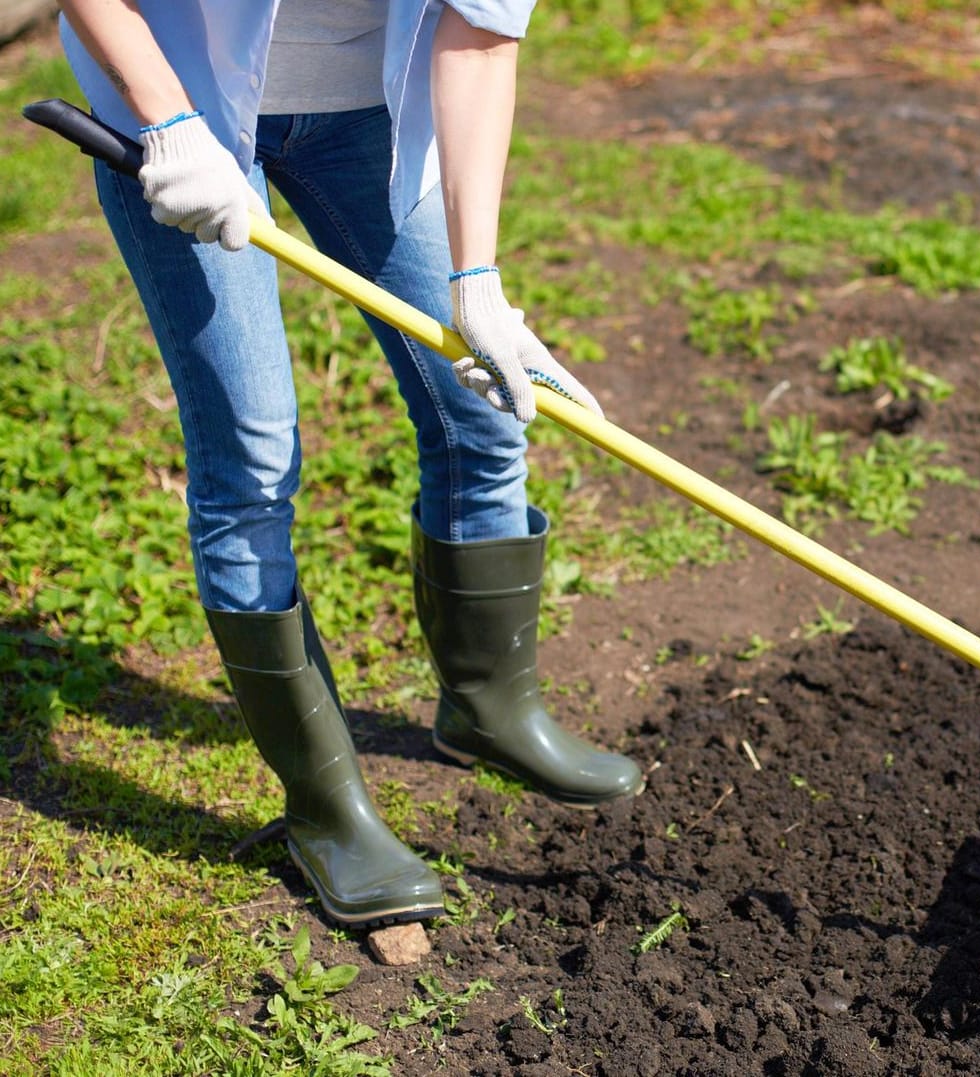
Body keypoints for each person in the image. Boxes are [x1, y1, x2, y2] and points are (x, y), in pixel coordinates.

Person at [57, 0, 645, 929]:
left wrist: (478, 279)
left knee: (477, 406)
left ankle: (492, 708)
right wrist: (168, 125)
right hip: (180, 102)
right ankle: (326, 809)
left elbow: (480, 36)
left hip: (366, 110)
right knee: (251, 453)